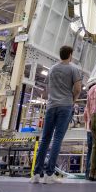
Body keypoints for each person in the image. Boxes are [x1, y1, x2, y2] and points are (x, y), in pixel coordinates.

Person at [30, 45, 82, 184]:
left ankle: (36, 174)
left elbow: (47, 90)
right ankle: (49, 174)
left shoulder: (52, 69)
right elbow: (77, 88)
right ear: (70, 55)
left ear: (60, 55)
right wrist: (72, 100)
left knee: (45, 140)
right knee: (57, 139)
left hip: (51, 106)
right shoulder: (74, 69)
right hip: (65, 106)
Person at [83, 105, 93, 180]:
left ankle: (87, 173)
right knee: (95, 151)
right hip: (95, 130)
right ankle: (93, 173)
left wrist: (86, 125)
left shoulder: (88, 103)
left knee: (89, 151)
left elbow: (85, 115)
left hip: (88, 131)